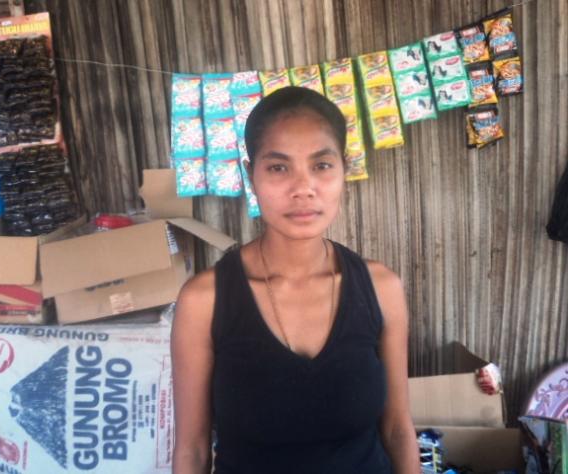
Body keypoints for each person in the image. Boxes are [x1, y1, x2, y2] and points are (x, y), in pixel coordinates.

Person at [171, 86, 420, 473]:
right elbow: (193, 450)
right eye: (278, 167)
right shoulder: (204, 301)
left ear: (344, 169)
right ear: (251, 175)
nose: (303, 189)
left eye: (321, 165)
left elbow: (398, 431)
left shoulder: (381, 288)